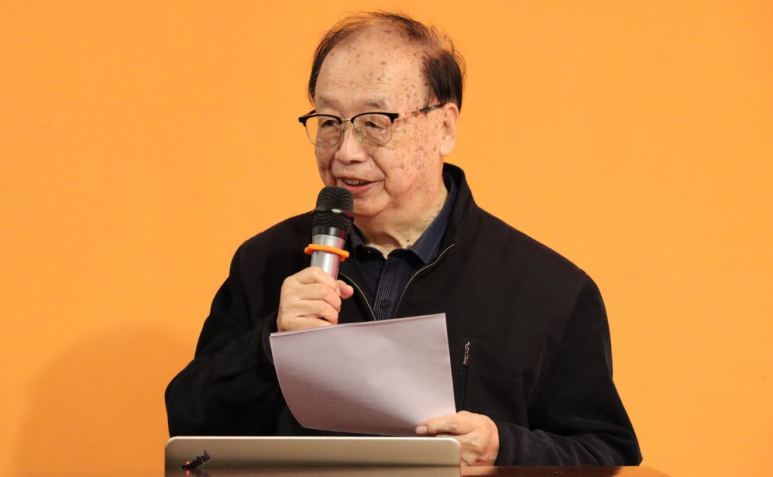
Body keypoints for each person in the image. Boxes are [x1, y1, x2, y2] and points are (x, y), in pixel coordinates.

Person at [165, 12, 642, 467]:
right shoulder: (265, 262)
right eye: (329, 122)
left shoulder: (549, 289)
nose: (346, 153)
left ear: (444, 127)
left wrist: (505, 449)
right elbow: (189, 430)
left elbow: (609, 456)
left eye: (375, 123)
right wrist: (270, 345)